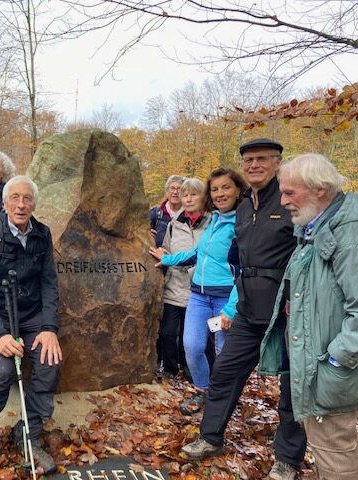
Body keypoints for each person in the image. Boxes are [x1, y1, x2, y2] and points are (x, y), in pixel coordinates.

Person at [180, 138, 307, 480]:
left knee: (291, 390)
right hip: (248, 310)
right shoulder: (244, 207)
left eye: (262, 159)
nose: (254, 165)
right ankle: (210, 437)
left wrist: (300, 297)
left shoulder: (290, 198)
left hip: (285, 312)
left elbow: (307, 252)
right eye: (248, 160)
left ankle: (287, 461)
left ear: (277, 162)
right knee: (224, 373)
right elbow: (237, 256)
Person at [260, 153, 357, 480]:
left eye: (290, 193)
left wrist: (334, 363)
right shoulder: (316, 224)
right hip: (318, 372)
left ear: (320, 189)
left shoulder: (348, 232)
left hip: (333, 380)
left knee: (338, 460)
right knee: (327, 456)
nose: (283, 200)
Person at [0, 175, 61, 476]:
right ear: (5, 202)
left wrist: (49, 328)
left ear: (34, 202)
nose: (21, 204)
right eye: (15, 198)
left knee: (48, 363)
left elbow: (49, 283)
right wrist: (0, 334)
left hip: (32, 316)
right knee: (2, 370)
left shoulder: (42, 234)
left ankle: (29, 433)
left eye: (27, 198)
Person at [150, 168, 245, 415]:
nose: (220, 193)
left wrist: (231, 308)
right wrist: (168, 259)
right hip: (199, 297)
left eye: (226, 188)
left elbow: (245, 269)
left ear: (238, 190)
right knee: (192, 346)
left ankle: (224, 398)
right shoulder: (214, 220)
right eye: (215, 189)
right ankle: (203, 390)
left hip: (224, 299)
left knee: (223, 352)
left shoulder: (243, 223)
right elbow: (196, 253)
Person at [155, 178, 211, 379]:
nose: (188, 198)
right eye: (185, 194)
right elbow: (167, 249)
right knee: (169, 332)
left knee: (192, 336)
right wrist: (163, 253)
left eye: (193, 194)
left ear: (204, 197)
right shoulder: (174, 223)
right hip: (174, 285)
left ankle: (191, 370)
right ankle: (169, 369)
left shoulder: (212, 222)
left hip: (199, 289)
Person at [149, 175, 184, 247]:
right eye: (172, 188)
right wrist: (146, 233)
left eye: (179, 189)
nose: (175, 192)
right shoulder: (155, 214)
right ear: (167, 191)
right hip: (157, 256)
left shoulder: (188, 215)